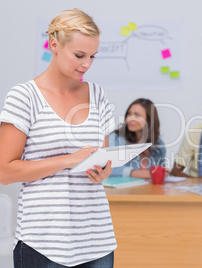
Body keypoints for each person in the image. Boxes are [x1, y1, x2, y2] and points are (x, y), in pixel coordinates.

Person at [0, 9, 116, 267]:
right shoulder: (24, 96)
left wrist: (103, 170)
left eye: (92, 56)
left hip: (96, 240)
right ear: (54, 44)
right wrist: (67, 160)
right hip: (44, 243)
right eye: (79, 55)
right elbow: (5, 171)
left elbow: (102, 156)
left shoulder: (97, 95)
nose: (87, 64)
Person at [108, 98, 167, 178]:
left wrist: (164, 172)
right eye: (129, 114)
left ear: (149, 120)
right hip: (123, 189)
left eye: (137, 115)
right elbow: (109, 169)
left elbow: (159, 170)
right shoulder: (116, 138)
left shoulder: (159, 144)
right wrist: (142, 173)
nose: (130, 118)